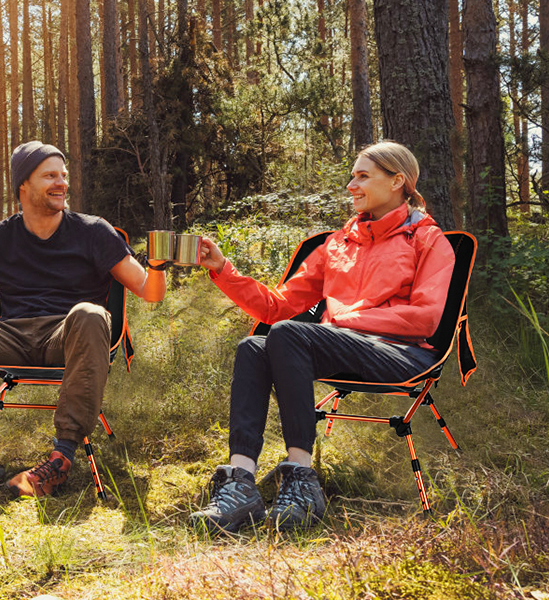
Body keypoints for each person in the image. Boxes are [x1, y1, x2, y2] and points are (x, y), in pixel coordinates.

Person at [188, 140, 455, 532]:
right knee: (253, 347)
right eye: (352, 176)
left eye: (363, 176)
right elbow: (276, 307)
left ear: (398, 180)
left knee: (290, 335)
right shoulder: (337, 244)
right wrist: (223, 268)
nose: (351, 185)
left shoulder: (429, 240)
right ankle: (241, 483)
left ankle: (301, 479)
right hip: (341, 345)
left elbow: (426, 319)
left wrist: (344, 320)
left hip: (403, 353)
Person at [0, 141, 167, 501]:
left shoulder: (93, 231)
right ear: (24, 186)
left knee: (91, 313)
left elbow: (148, 291)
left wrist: (156, 266)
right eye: (50, 176)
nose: (61, 183)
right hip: (11, 335)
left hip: (68, 335)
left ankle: (61, 460)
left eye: (63, 175)